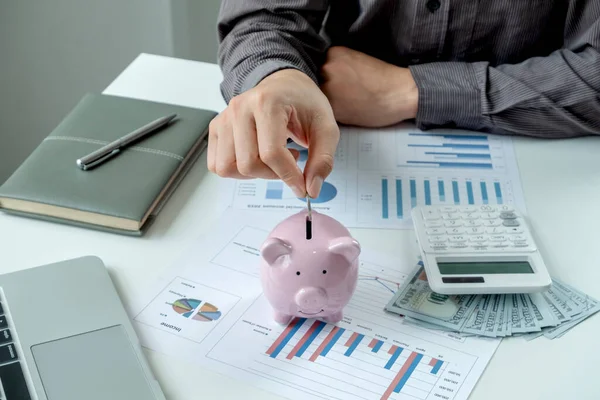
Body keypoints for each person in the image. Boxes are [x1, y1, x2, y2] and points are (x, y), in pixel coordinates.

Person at [208, 0, 600, 198]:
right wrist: (278, 75)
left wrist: (409, 90)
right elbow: (261, 17)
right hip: (337, 125)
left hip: (546, 173)